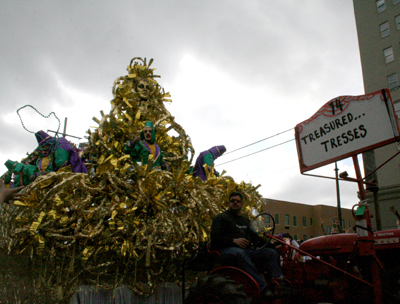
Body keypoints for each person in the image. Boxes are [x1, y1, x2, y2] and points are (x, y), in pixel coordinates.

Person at [210, 191, 290, 299]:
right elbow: (215, 238)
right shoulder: (221, 218)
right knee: (240, 253)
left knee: (271, 253)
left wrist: (273, 246)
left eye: (237, 201)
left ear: (242, 203)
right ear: (228, 203)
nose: (235, 203)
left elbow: (256, 238)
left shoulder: (245, 220)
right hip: (226, 251)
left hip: (246, 252)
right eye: (232, 201)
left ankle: (278, 283)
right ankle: (262, 287)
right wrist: (234, 241)